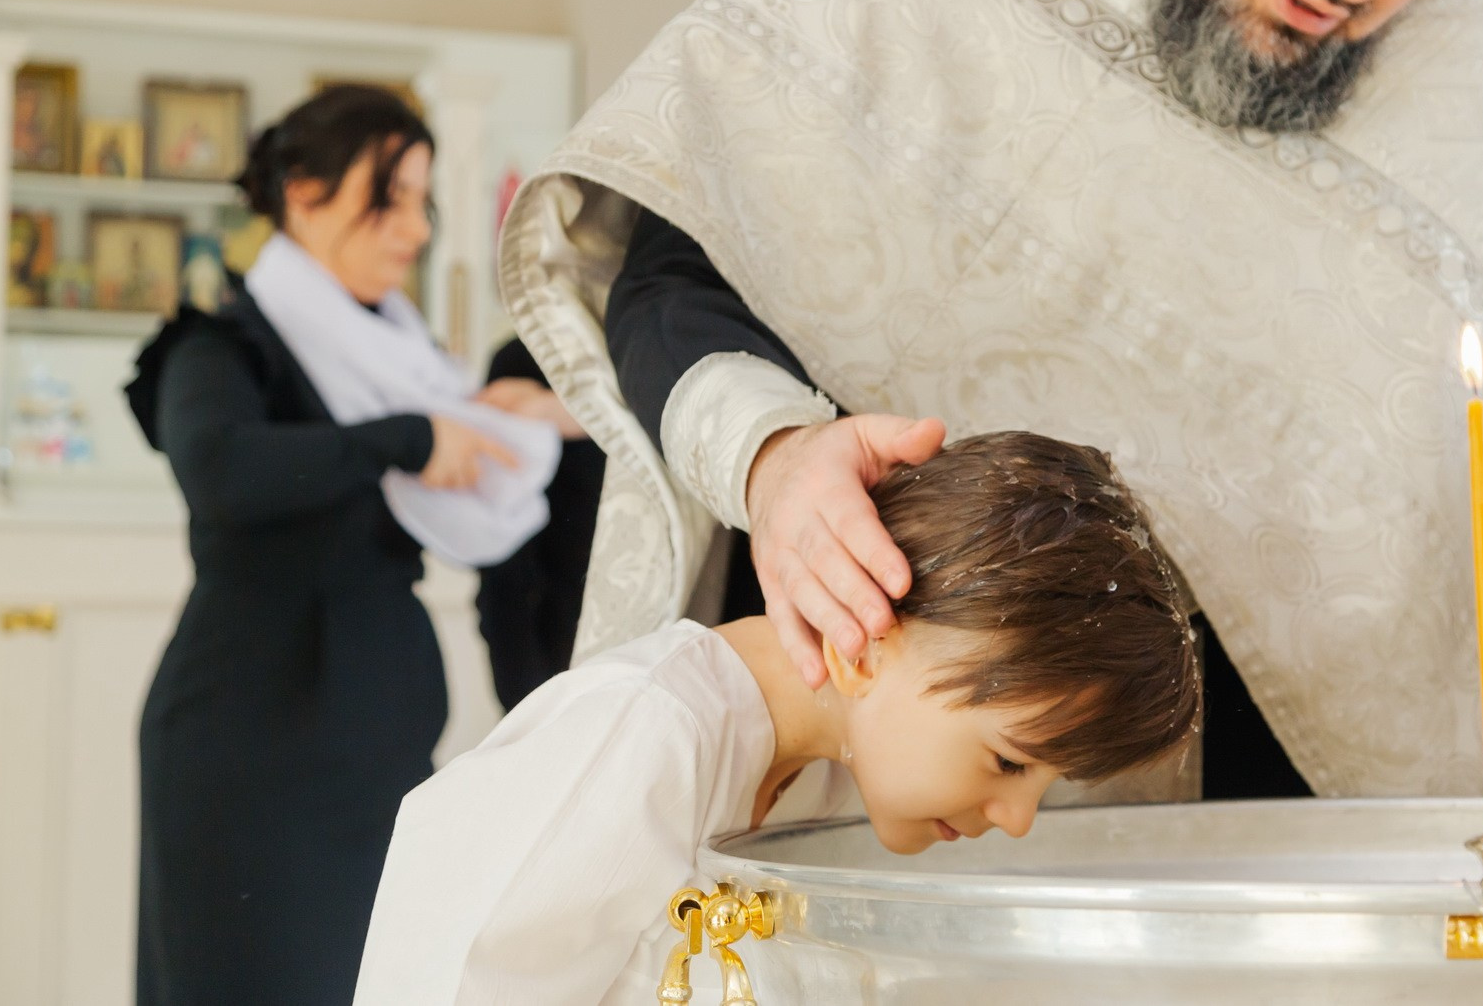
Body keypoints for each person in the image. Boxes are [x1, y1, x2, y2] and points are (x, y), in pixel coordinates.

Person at [501, 0, 1483, 801]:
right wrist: (776, 461)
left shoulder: (1451, 79)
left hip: (1227, 819)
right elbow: (671, 266)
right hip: (869, 752)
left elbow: (1426, 518)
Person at [351, 431, 1201, 1004]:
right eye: (1011, 763)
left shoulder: (824, 789)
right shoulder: (645, 732)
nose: (1015, 821)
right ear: (863, 638)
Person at [125, 85, 562, 1006]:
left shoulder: (402, 363)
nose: (412, 230)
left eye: (422, 202)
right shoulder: (222, 346)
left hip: (371, 767)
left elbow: (462, 434)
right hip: (247, 763)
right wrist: (407, 437)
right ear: (303, 192)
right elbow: (223, 468)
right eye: (386, 197)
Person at [474, 335, 607, 710]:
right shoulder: (524, 358)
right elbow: (504, 544)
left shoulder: (677, 337)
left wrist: (566, 412)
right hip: (548, 636)